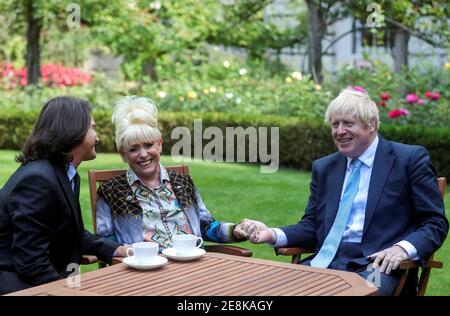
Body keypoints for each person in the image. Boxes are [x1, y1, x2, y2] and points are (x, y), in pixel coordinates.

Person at [234, 88, 448, 296]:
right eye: (335, 124)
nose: (339, 131)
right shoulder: (325, 167)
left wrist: (402, 249)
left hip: (378, 268)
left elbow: (434, 223)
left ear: (371, 125)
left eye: (348, 123)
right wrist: (270, 234)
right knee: (266, 288)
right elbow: (312, 226)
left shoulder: (408, 160)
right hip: (325, 262)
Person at [0, 96, 128, 295]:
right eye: (92, 128)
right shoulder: (38, 180)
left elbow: (68, 230)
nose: (98, 137)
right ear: (74, 131)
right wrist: (70, 292)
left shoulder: (61, 174)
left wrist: (115, 249)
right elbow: (31, 263)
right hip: (15, 285)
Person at [95, 96, 244, 249]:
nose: (143, 154)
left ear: (159, 144)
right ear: (123, 154)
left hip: (193, 263)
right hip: (147, 268)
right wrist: (131, 256)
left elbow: (206, 226)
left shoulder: (183, 182)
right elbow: (107, 242)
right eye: (133, 149)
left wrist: (236, 231)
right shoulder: (110, 191)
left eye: (148, 145)